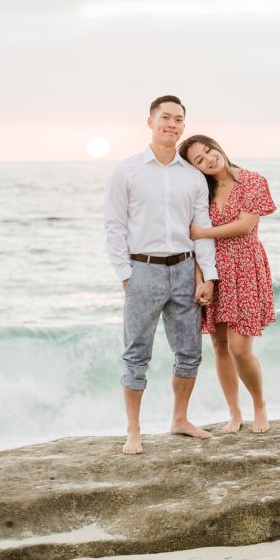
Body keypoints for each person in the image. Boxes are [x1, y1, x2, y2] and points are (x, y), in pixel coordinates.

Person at [105, 96, 218, 455]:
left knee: (189, 352)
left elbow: (202, 228)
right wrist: (126, 274)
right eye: (165, 117)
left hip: (185, 269)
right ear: (150, 121)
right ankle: (133, 431)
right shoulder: (127, 170)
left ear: (183, 125)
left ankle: (180, 420)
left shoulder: (194, 177)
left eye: (178, 119)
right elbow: (114, 226)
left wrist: (208, 277)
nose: (172, 124)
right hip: (143, 271)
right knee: (136, 353)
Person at [178, 134, 276, 434]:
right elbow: (191, 240)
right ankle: (234, 413)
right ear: (196, 169)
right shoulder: (201, 190)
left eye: (209, 150)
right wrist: (202, 278)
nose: (209, 158)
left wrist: (203, 233)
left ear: (217, 147)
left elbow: (246, 225)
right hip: (213, 269)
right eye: (199, 159)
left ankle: (260, 406)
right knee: (219, 346)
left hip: (245, 266)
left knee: (240, 347)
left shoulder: (252, 180)